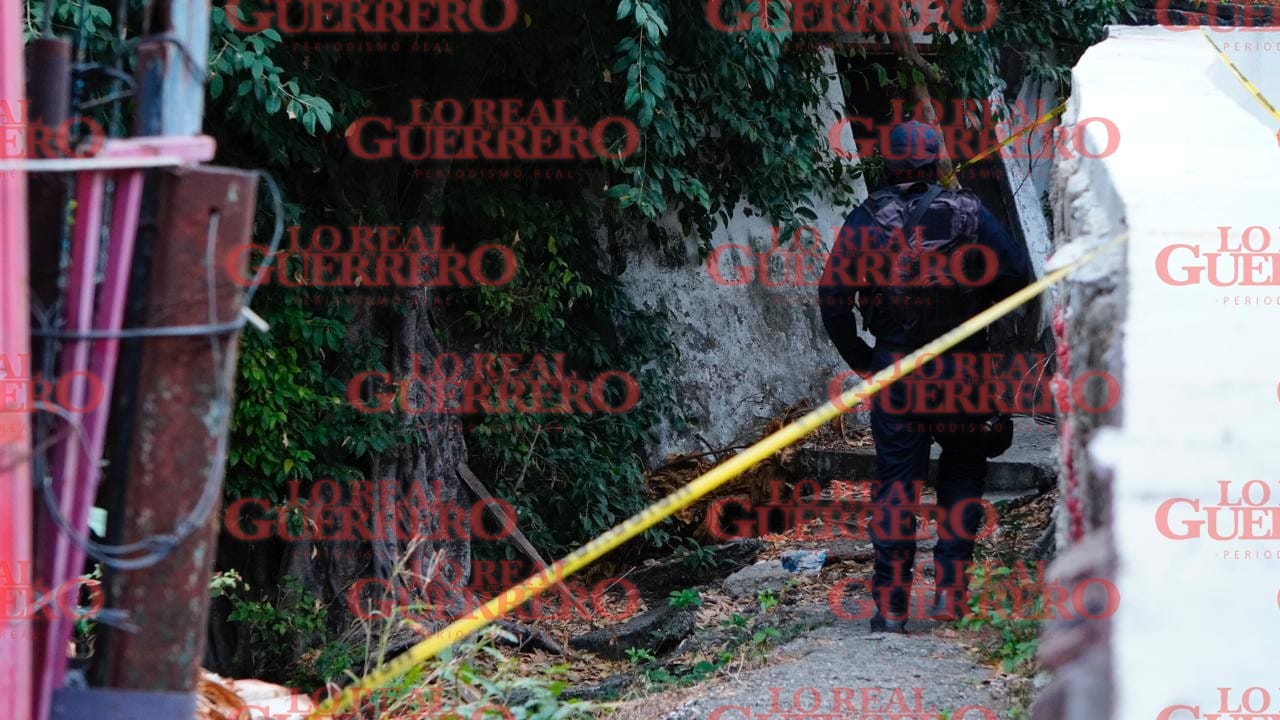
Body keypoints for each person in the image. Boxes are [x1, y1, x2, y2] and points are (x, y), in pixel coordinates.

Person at [818, 120, 1035, 633]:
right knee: (962, 476)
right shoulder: (969, 212)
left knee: (897, 486)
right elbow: (1019, 277)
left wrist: (864, 359)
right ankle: (948, 598)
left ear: (888, 165)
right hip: (963, 367)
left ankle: (891, 608)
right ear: (937, 160)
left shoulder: (864, 218)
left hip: (895, 369)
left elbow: (832, 300)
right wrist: (978, 315)